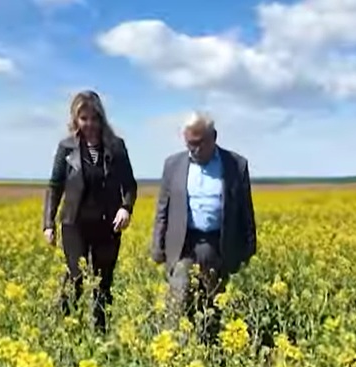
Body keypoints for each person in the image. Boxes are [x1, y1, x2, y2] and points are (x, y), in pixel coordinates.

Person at [151, 111, 256, 337]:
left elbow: (245, 209)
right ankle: (175, 350)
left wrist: (248, 248)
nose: (194, 150)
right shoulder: (173, 164)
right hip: (183, 243)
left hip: (218, 243)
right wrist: (157, 247)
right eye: (189, 144)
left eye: (199, 144)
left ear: (214, 137)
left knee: (211, 304)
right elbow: (163, 209)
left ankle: (207, 350)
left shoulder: (236, 165)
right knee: (179, 299)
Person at [42, 90, 137, 333]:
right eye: (84, 118)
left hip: (108, 225)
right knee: (75, 278)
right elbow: (55, 185)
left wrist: (126, 209)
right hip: (74, 224)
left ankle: (100, 334)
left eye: (94, 118)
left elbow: (129, 184)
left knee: (103, 283)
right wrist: (48, 223)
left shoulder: (116, 147)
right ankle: (65, 331)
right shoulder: (66, 147)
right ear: (76, 119)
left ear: (101, 118)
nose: (89, 124)